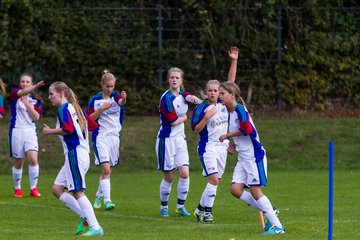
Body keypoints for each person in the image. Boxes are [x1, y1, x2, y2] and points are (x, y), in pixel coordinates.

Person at [218, 81, 285, 234]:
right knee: (235, 190)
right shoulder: (231, 113)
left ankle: (278, 227)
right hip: (243, 158)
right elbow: (242, 133)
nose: (220, 96)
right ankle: (270, 210)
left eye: (222, 94)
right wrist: (233, 146)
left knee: (255, 191)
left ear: (232, 95)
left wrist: (227, 135)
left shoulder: (240, 109)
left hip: (254, 156)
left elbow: (247, 129)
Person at [42, 81, 104, 236]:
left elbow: (68, 129)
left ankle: (95, 227)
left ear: (61, 94)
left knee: (77, 191)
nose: (49, 97)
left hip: (75, 154)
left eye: (51, 94)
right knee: (57, 189)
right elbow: (92, 126)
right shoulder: (75, 108)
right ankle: (84, 215)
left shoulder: (64, 109)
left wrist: (50, 131)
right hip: (80, 154)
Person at [191, 47, 238, 223]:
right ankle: (207, 213)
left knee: (215, 180)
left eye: (216, 90)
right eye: (209, 90)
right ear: (206, 92)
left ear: (220, 92)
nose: (212, 93)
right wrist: (205, 118)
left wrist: (234, 60)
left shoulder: (223, 103)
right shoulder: (202, 108)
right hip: (207, 148)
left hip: (222, 147)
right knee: (214, 180)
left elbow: (231, 82)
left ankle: (199, 210)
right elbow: (195, 129)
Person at [155, 67, 201, 217]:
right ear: (168, 80)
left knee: (184, 173)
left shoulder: (182, 93)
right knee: (169, 176)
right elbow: (174, 121)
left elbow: (188, 96)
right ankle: (164, 207)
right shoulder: (166, 98)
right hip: (166, 140)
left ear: (181, 81)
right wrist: (185, 118)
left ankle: (180, 207)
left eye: (177, 78)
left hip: (180, 140)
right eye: (172, 77)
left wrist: (197, 100)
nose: (174, 80)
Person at [86, 70, 127, 210]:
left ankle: (98, 195)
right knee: (106, 169)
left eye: (112, 86)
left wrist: (124, 99)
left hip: (114, 138)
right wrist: (101, 109)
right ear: (102, 84)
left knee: (107, 171)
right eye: (107, 86)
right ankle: (107, 201)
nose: (110, 89)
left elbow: (120, 102)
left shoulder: (115, 97)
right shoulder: (95, 100)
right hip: (100, 137)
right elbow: (89, 119)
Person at [9, 73, 44, 198]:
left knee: (33, 159)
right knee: (19, 162)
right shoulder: (15, 94)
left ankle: (33, 188)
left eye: (27, 82)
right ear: (20, 83)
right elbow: (21, 93)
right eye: (22, 81)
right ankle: (17, 188)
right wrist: (33, 88)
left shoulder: (35, 100)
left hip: (30, 131)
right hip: (17, 131)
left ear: (31, 84)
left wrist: (27, 104)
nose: (24, 83)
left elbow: (36, 117)